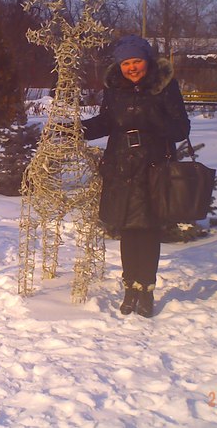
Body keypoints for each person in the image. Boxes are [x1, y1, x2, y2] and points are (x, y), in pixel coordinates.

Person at [82, 35, 190, 317]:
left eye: (137, 61)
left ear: (147, 61)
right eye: (126, 63)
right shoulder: (114, 89)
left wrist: (150, 117)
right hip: (121, 169)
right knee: (128, 230)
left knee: (149, 230)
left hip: (154, 169)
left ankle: (147, 290)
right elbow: (105, 122)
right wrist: (73, 129)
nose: (132, 68)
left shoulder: (164, 87)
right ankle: (130, 288)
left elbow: (181, 130)